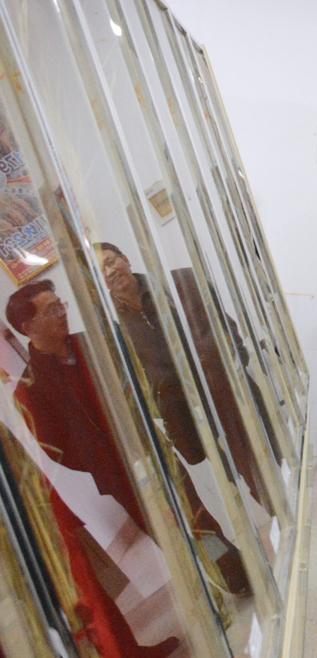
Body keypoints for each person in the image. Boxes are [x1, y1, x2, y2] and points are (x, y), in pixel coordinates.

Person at [6, 280, 180, 657]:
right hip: (117, 473)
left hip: (151, 452)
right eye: (51, 310)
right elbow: (55, 449)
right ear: (28, 327)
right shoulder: (29, 387)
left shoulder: (91, 345)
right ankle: (213, 586)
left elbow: (133, 383)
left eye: (61, 305)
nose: (62, 314)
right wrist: (100, 458)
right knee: (166, 535)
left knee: (190, 514)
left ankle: (232, 572)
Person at [95, 242, 250, 594]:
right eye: (102, 269)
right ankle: (232, 572)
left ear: (126, 259)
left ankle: (262, 538)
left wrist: (233, 367)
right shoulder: (112, 328)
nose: (111, 271)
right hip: (175, 430)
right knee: (198, 514)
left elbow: (222, 331)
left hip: (220, 398)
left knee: (248, 470)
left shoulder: (171, 287)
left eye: (112, 261)